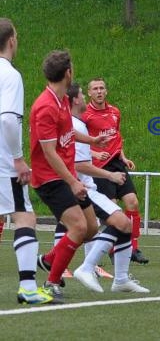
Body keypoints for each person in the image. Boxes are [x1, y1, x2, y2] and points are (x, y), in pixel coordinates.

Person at [30, 50, 106, 303]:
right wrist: (73, 182)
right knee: (79, 227)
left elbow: (68, 134)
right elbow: (49, 153)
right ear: (67, 73)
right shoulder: (45, 106)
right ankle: (51, 284)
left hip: (67, 175)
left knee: (92, 228)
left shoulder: (62, 99)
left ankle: (50, 259)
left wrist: (92, 140)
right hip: (50, 179)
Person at [68, 82, 149, 293]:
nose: (97, 93)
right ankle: (86, 267)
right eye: (91, 91)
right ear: (78, 99)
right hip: (86, 184)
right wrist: (108, 173)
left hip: (96, 176)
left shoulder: (89, 121)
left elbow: (113, 139)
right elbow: (78, 162)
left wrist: (117, 156)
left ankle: (119, 276)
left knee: (118, 220)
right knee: (109, 222)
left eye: (102, 88)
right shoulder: (78, 123)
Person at [0, 18, 53, 305]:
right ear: (11, 41)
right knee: (25, 217)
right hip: (3, 161)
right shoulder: (10, 75)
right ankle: (29, 288)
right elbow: (8, 119)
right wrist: (18, 160)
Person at [82, 77, 149, 264]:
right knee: (112, 212)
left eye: (102, 88)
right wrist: (94, 153)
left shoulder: (115, 112)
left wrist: (123, 157)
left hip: (116, 164)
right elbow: (78, 142)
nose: (99, 91)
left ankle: (133, 248)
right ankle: (112, 249)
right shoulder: (85, 115)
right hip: (100, 169)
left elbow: (117, 137)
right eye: (95, 88)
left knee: (133, 202)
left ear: (106, 91)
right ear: (89, 93)